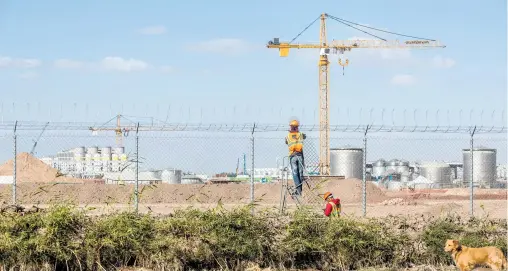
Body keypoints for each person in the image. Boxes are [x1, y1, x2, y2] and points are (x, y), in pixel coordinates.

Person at [285, 119, 306, 197]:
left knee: (295, 173)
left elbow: (286, 142)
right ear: (297, 127)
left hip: (292, 156)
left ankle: (298, 191)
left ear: (291, 127)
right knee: (300, 173)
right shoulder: (301, 134)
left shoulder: (288, 136)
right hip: (300, 155)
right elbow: (304, 136)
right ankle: (300, 190)